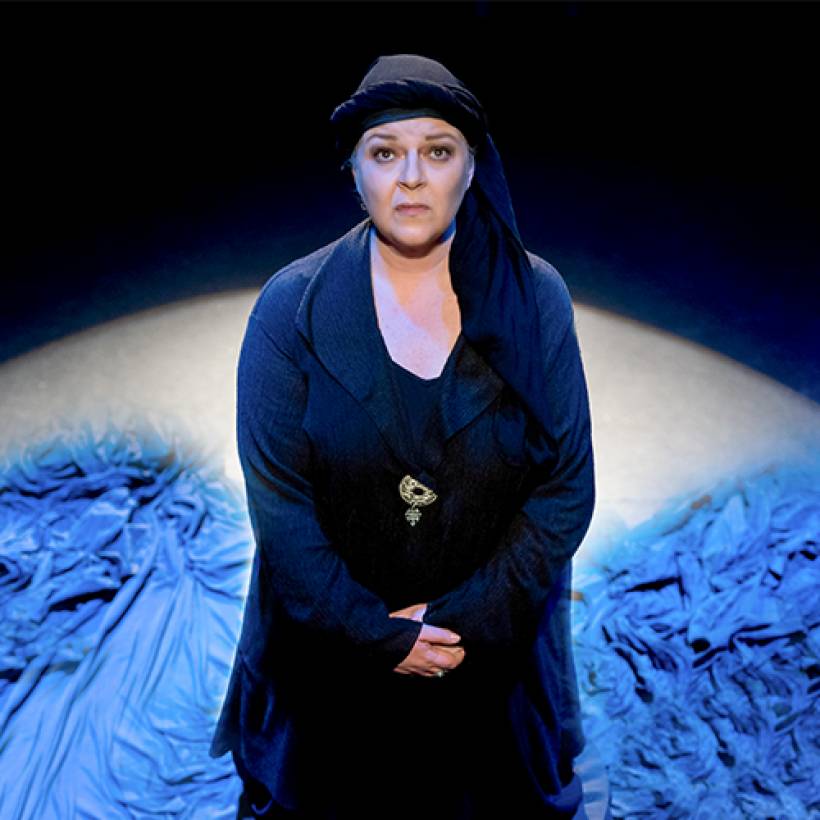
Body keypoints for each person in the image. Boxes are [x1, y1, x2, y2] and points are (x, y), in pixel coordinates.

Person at [210, 54, 608, 819]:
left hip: (487, 647)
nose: (412, 177)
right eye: (386, 152)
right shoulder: (289, 309)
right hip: (329, 654)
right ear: (354, 171)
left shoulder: (535, 299)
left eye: (438, 150)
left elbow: (565, 490)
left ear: (471, 166)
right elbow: (282, 512)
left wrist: (455, 623)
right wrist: (374, 636)